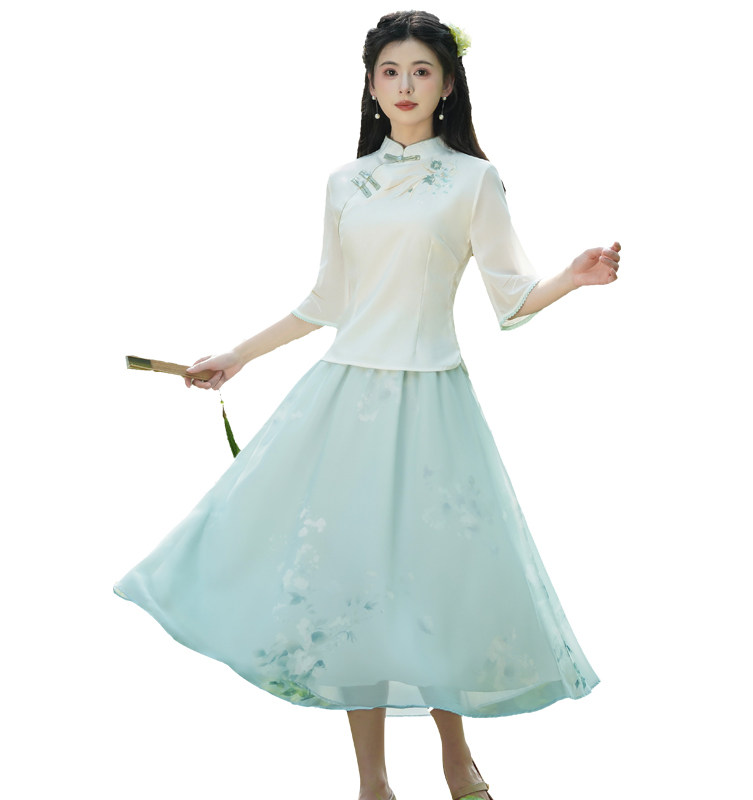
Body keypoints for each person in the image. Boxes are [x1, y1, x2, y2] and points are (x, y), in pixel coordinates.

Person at [113, 10, 620, 800]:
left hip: (433, 402)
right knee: (350, 586)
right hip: (344, 402)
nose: (404, 85)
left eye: (421, 71)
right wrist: (235, 356)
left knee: (431, 580)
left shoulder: (474, 180)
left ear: (447, 85)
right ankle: (372, 780)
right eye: (390, 71)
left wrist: (572, 280)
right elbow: (327, 299)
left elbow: (511, 301)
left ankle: (456, 756)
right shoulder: (344, 183)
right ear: (371, 85)